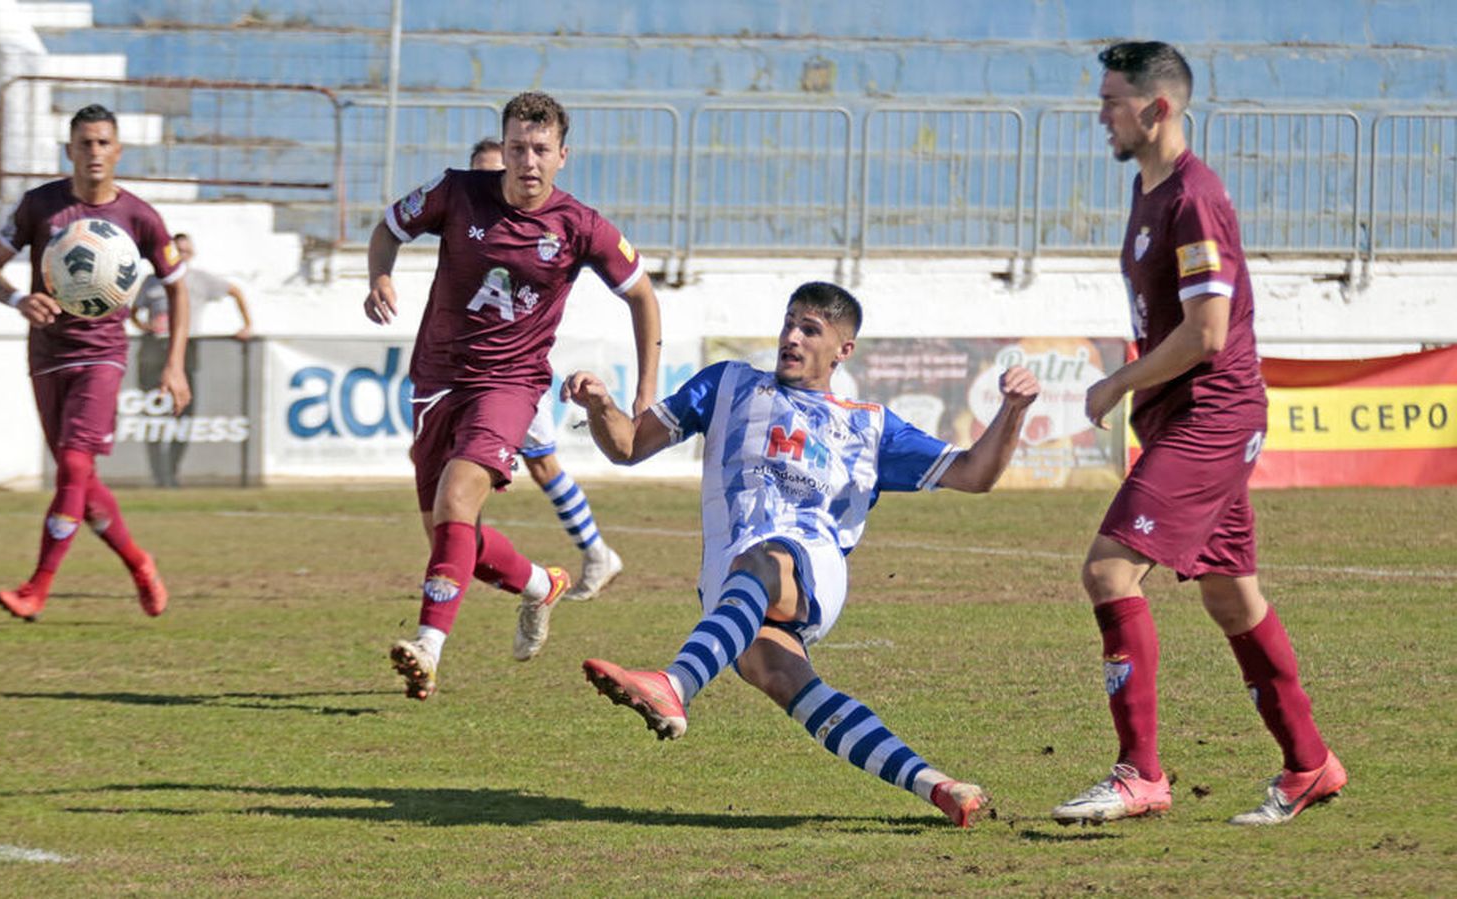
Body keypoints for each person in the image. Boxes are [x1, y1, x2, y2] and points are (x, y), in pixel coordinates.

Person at [564, 281, 1041, 829]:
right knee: (786, 681)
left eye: (810, 330)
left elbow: (975, 473)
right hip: (728, 581)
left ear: (843, 350)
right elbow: (627, 446)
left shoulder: (869, 425)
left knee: (768, 558)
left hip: (810, 566)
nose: (791, 337)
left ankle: (676, 684)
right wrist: (601, 405)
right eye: (789, 323)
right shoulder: (728, 384)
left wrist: (1013, 411)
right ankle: (939, 787)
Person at [1052, 41, 1346, 827]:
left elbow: (1207, 332)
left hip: (1211, 415)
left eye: (1112, 102)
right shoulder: (1150, 190)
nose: (1101, 116)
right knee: (1230, 594)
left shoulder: (1193, 198)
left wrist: (1118, 379)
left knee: (1109, 570)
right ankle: (1311, 762)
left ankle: (1140, 774)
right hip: (1185, 416)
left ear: (1157, 108)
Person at [365, 92, 662, 699]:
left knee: (457, 498)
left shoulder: (580, 225)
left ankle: (427, 647)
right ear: (503, 148)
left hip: (510, 384)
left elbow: (642, 295)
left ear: (562, 155)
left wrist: (645, 394)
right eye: (518, 148)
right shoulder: (456, 191)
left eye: (541, 150)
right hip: (436, 381)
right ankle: (540, 585)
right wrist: (380, 275)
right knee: (453, 538)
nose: (529, 161)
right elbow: (388, 228)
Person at [0, 103, 191, 621]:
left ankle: (36, 588)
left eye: (103, 143)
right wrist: (17, 299)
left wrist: (175, 363)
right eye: (84, 143)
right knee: (82, 483)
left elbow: (177, 288)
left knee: (74, 466)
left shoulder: (140, 217)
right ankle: (140, 564)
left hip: (102, 354)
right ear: (69, 151)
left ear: (118, 151)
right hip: (46, 354)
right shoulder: (39, 206)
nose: (94, 152)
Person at [468, 137, 622, 601]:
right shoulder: (467, 224)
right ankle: (456, 556)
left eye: (495, 172)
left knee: (538, 464)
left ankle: (594, 554)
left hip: (514, 372)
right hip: (467, 369)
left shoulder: (531, 230)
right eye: (479, 175)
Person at [129, 231, 254, 487]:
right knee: (153, 415)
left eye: (186, 251)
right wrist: (145, 327)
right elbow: (133, 312)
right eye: (178, 251)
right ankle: (158, 476)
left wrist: (247, 325)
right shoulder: (151, 281)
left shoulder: (200, 279)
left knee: (183, 414)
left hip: (186, 351)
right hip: (153, 353)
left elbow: (235, 291)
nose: (182, 255)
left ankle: (172, 473)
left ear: (192, 254)